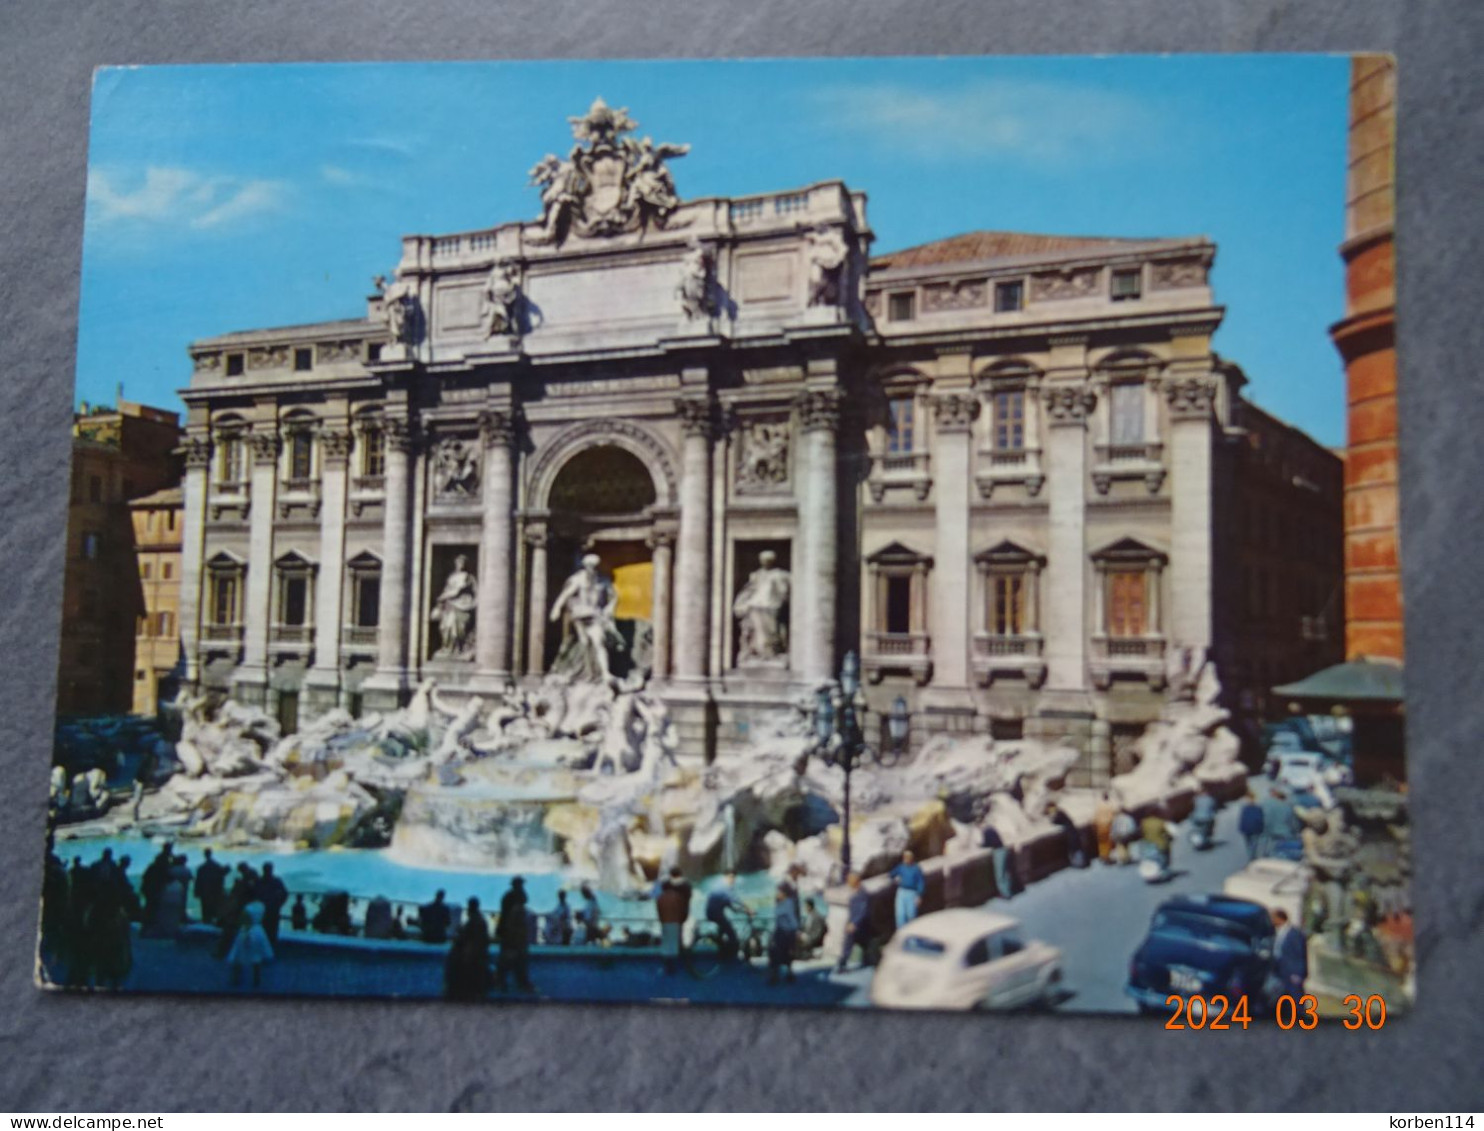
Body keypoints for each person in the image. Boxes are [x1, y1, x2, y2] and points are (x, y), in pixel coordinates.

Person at [444, 897, 491, 1002]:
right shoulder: (480, 920)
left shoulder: (474, 921)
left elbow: (465, 938)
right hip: (478, 954)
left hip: (471, 955)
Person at [494, 878, 536, 992]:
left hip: (510, 932)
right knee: (513, 958)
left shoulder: (510, 896)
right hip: (511, 933)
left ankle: (504, 982)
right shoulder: (514, 898)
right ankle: (506, 982)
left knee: (510, 958)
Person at [226, 900, 274, 988]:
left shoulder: (249, 930)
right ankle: (251, 980)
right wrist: (267, 953)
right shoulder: (255, 930)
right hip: (252, 952)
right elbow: (264, 944)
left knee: (248, 962)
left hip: (247, 951)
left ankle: (244, 979)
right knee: (253, 962)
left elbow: (237, 945)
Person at [655, 867, 693, 975]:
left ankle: (670, 966)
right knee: (679, 937)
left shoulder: (666, 886)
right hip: (680, 914)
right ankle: (681, 961)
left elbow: (659, 899)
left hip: (667, 917)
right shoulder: (686, 886)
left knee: (668, 939)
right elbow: (688, 900)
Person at [703, 872, 749, 961]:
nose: (732, 880)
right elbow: (736, 899)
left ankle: (721, 947)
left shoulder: (720, 886)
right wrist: (748, 909)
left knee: (724, 929)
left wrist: (740, 911)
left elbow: (730, 905)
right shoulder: (725, 888)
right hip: (716, 913)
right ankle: (725, 954)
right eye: (731, 877)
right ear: (726, 878)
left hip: (712, 913)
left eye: (733, 878)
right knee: (732, 934)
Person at [1268, 908, 1308, 1004]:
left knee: (1295, 997)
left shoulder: (1294, 934)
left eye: (1273, 918)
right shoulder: (1278, 932)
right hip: (1279, 970)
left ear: (1280, 918)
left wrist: (1298, 974)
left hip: (1292, 972)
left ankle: (1299, 1016)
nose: (1271, 920)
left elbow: (1299, 954)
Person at [835, 872, 873, 973]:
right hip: (852, 922)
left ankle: (842, 964)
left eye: (849, 880)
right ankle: (842, 964)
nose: (848, 883)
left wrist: (854, 923)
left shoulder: (863, 894)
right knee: (850, 943)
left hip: (858, 924)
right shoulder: (855, 891)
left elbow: (863, 910)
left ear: (856, 881)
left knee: (849, 944)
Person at [767, 883, 800, 986]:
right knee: (777, 954)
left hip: (786, 933)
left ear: (784, 893)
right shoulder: (780, 902)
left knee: (781, 953)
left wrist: (796, 932)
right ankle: (780, 974)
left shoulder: (788, 904)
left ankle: (779, 975)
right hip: (779, 931)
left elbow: (792, 919)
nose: (777, 893)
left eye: (779, 892)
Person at [255, 863, 289, 946]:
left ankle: (268, 947)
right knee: (269, 931)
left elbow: (285, 894)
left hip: (268, 910)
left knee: (269, 931)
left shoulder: (261, 881)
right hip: (267, 910)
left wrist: (279, 904)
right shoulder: (275, 881)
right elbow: (285, 894)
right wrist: (279, 904)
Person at [889, 850, 925, 928]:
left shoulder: (916, 868)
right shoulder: (901, 867)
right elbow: (891, 874)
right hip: (901, 892)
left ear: (911, 858)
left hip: (912, 893)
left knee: (911, 915)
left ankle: (912, 936)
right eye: (905, 858)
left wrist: (919, 895)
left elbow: (920, 882)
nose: (906, 859)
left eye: (908, 858)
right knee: (900, 915)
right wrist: (895, 880)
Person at [194, 848, 228, 925]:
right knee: (213, 908)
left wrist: (197, 891)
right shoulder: (215, 866)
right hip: (214, 892)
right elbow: (221, 876)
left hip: (206, 892)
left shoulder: (202, 868)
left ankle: (206, 922)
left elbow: (198, 881)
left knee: (206, 909)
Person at [981, 824, 1015, 898]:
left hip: (998, 852)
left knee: (1000, 875)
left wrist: (981, 845)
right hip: (1003, 850)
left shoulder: (986, 831)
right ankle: (1008, 891)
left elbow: (989, 843)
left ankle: (1005, 893)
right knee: (1005, 872)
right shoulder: (991, 829)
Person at [1238, 791, 1266, 860]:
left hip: (1246, 829)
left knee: (1249, 844)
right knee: (1254, 844)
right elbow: (1260, 819)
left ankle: (1251, 857)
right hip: (1255, 829)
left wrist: (1241, 828)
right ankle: (1252, 858)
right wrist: (1261, 828)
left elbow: (1242, 819)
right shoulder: (1258, 808)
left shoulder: (1244, 808)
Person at [1092, 792, 1118, 864]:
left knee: (1102, 842)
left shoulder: (1099, 806)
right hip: (1108, 825)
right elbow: (1113, 817)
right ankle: (1107, 857)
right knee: (1108, 842)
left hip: (1100, 826)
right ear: (1108, 798)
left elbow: (1095, 817)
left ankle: (1102, 855)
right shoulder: (1110, 806)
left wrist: (1094, 826)